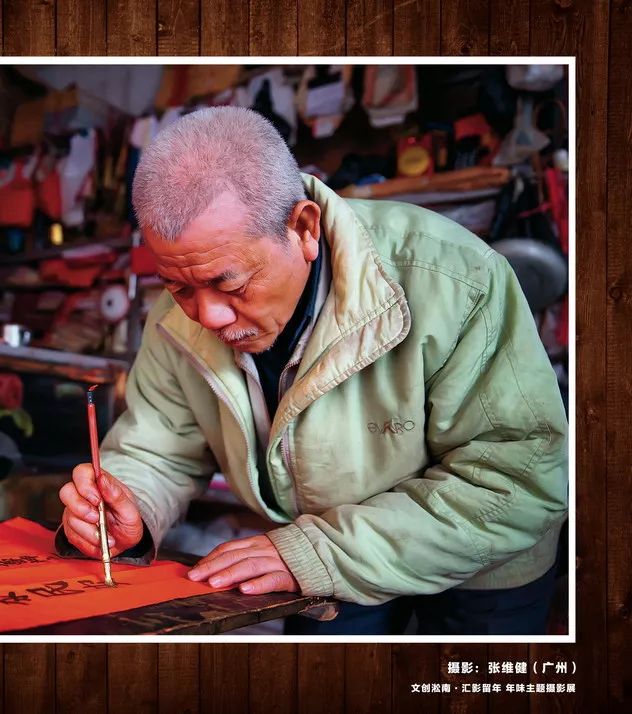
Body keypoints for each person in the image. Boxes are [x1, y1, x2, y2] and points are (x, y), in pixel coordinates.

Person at [55, 106, 568, 635]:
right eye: (180, 287)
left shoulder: (453, 277)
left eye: (230, 285)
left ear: (303, 228)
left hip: (479, 567)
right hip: (316, 557)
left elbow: (516, 476)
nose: (207, 315)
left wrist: (319, 552)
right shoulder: (174, 321)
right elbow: (156, 447)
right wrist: (127, 511)